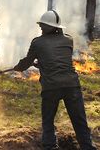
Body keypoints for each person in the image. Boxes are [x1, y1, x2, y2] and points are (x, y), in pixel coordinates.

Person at [13, 10, 97, 150]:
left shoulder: (37, 42)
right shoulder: (68, 40)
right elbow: (59, 60)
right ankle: (87, 147)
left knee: (48, 121)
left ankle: (50, 147)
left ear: (50, 27)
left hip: (51, 87)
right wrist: (41, 64)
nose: (40, 27)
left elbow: (27, 62)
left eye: (43, 25)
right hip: (72, 85)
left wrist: (18, 67)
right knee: (79, 121)